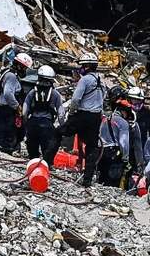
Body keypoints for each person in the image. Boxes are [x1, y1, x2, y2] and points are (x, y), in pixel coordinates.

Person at [61, 53, 106, 186]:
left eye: (82, 66)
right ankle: (87, 180)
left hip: (83, 114)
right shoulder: (102, 81)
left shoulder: (85, 80)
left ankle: (47, 160)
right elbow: (103, 100)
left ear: (86, 66)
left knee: (59, 132)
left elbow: (75, 99)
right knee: (91, 148)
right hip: (96, 117)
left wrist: (72, 112)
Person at [98, 99, 143, 188]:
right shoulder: (123, 123)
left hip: (101, 152)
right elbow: (123, 142)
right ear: (124, 111)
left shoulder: (104, 120)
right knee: (112, 183)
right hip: (114, 154)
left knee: (102, 181)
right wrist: (125, 159)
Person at [23, 66, 62, 165]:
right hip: (47, 124)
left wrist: (26, 122)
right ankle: (45, 167)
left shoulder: (32, 92)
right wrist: (61, 127)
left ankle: (32, 166)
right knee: (47, 150)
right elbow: (61, 113)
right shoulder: (55, 94)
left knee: (32, 149)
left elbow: (25, 110)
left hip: (33, 123)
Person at [0, 52, 32, 154]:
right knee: (9, 135)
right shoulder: (11, 76)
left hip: (4, 109)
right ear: (19, 66)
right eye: (24, 68)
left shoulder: (6, 72)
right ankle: (7, 152)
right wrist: (17, 106)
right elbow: (8, 94)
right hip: (8, 110)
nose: (25, 71)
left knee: (4, 133)